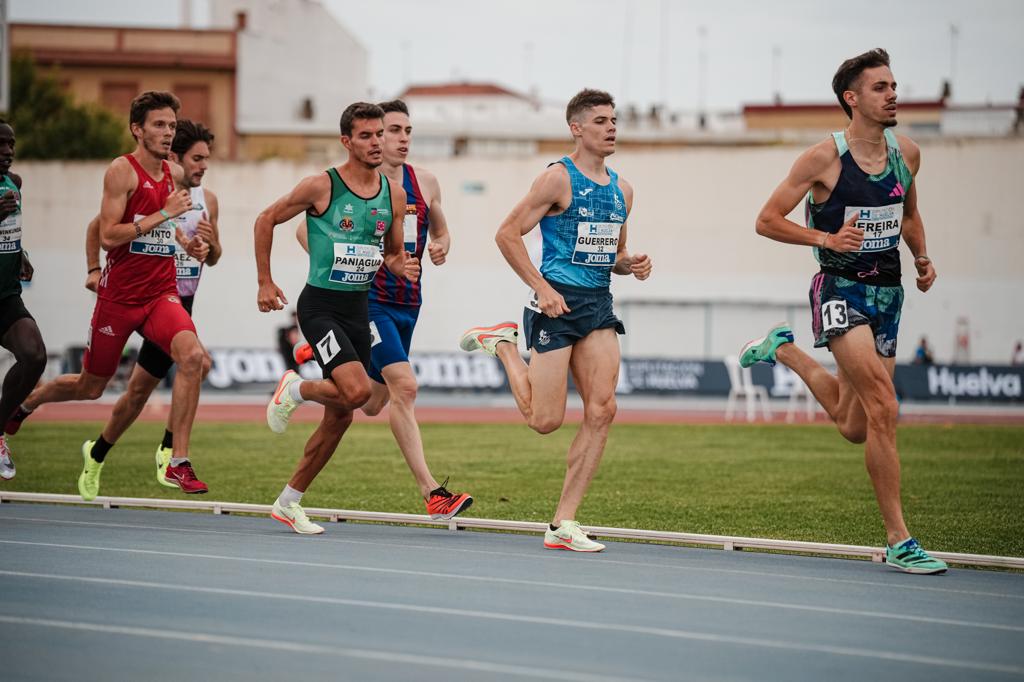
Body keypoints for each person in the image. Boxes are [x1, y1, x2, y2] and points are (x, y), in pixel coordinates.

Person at [739, 49, 946, 574]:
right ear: (851, 99)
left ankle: (781, 349)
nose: (893, 94)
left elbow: (910, 213)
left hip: (888, 294)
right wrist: (825, 236)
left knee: (856, 425)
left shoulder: (908, 154)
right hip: (839, 289)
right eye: (881, 87)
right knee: (884, 407)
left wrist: (921, 257)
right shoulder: (822, 160)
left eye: (894, 85)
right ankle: (900, 540)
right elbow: (766, 220)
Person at [459, 89, 651, 552]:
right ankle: (503, 345)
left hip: (598, 306)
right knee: (544, 421)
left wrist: (631, 263)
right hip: (555, 305)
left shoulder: (623, 190)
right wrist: (542, 288)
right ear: (577, 128)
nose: (611, 129)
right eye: (601, 121)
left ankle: (563, 523)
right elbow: (507, 234)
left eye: (614, 121)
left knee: (603, 410)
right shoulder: (557, 179)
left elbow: (614, 254)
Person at [4, 91, 212, 500]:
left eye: (172, 126)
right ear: (137, 129)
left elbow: (168, 231)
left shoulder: (175, 173)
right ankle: (27, 403)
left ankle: (178, 461)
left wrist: (191, 245)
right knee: (91, 386)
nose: (168, 133)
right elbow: (107, 234)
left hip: (161, 294)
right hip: (119, 299)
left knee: (193, 358)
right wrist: (96, 268)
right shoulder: (122, 171)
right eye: (159, 125)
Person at [295, 99, 471, 520]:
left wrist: (442, 244)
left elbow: (441, 226)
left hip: (409, 302)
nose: (401, 138)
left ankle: (299, 382)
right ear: (370, 137)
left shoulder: (424, 182)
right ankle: (433, 493)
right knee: (405, 388)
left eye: (407, 130)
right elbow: (305, 231)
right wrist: (353, 263)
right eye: (393, 130)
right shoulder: (353, 187)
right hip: (368, 302)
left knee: (373, 404)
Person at [255, 102, 419, 535]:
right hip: (321, 307)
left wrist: (400, 265)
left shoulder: (394, 195)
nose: (376, 142)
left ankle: (289, 501)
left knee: (346, 411)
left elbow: (392, 254)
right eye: (365, 135)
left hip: (358, 308)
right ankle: (297, 387)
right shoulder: (321, 186)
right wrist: (265, 282)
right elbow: (265, 219)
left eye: (380, 134)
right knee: (358, 389)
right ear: (346, 141)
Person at [80, 119, 220, 488]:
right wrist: (94, 269)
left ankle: (168, 451)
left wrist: (206, 246)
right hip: (145, 295)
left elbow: (214, 256)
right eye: (197, 159)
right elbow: (101, 228)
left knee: (193, 364)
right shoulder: (157, 184)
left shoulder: (208, 201)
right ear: (175, 159)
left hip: (176, 301)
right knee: (138, 390)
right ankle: (100, 454)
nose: (204, 167)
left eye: (207, 159)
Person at [0, 120, 47, 481]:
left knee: (34, 356)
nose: (8, 151)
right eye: (1, 145)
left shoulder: (14, 183)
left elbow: (12, 230)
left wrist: (22, 255)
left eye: (11, 144)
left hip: (5, 296)